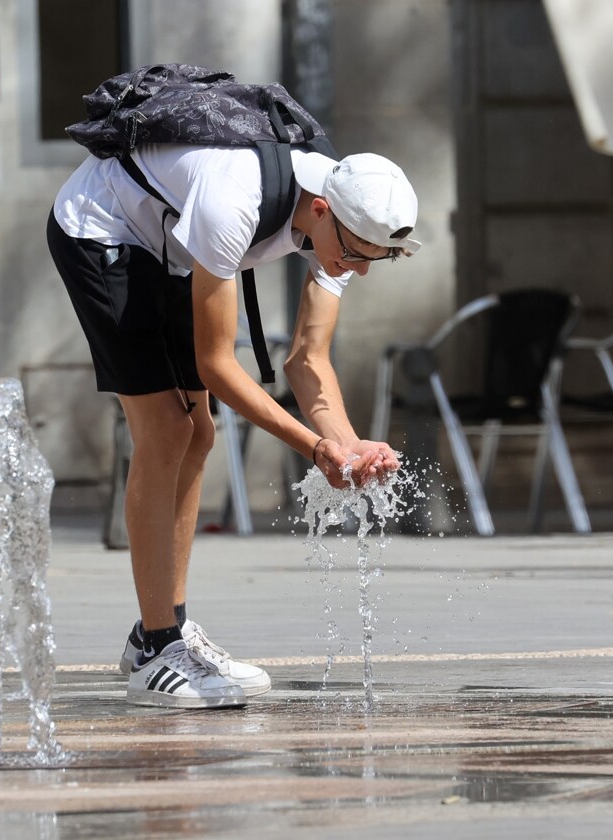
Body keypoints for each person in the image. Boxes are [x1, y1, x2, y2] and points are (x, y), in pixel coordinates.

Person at [46, 140, 419, 709]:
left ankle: (163, 629)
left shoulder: (345, 221)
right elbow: (215, 365)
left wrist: (349, 448)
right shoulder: (233, 203)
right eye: (356, 253)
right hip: (101, 226)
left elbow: (308, 360)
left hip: (168, 239)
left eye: (378, 258)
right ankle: (158, 649)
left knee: (199, 434)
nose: (361, 269)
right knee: (167, 429)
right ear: (320, 209)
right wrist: (315, 447)